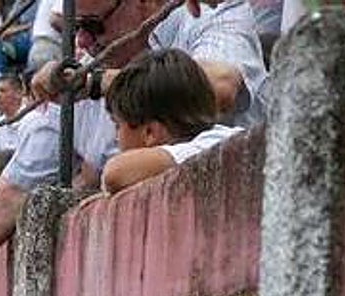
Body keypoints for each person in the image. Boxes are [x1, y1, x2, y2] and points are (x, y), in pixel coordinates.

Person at [0, 0, 269, 296]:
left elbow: (220, 88)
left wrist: (95, 82)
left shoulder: (211, 10)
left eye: (93, 25)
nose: (82, 40)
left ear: (146, 3)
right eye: (73, 28)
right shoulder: (83, 65)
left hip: (245, 256)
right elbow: (16, 187)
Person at [100, 48, 243, 193]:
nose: (116, 138)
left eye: (118, 126)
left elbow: (115, 173)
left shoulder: (216, 141)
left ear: (150, 133)